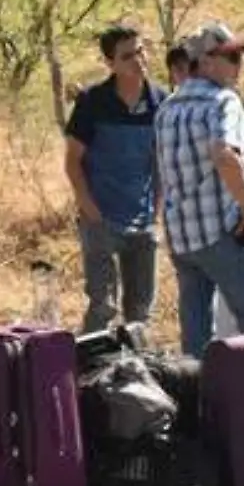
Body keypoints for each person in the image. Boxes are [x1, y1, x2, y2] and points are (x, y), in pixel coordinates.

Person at [154, 21, 244, 357]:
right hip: (223, 234)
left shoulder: (166, 109)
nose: (240, 64)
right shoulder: (224, 101)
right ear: (205, 62)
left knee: (196, 340)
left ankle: (200, 404)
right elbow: (225, 155)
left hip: (182, 239)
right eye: (232, 56)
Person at [64, 24, 165, 333]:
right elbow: (72, 161)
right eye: (127, 55)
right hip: (101, 221)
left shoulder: (161, 101)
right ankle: (89, 373)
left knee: (140, 313)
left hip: (143, 220)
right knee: (102, 307)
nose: (139, 59)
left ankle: (137, 375)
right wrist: (89, 208)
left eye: (141, 50)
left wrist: (157, 209)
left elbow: (160, 161)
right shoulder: (93, 102)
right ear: (110, 63)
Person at [166, 43, 244, 198]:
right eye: (179, 69)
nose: (187, 76)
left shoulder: (228, 100)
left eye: (190, 68)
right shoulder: (166, 113)